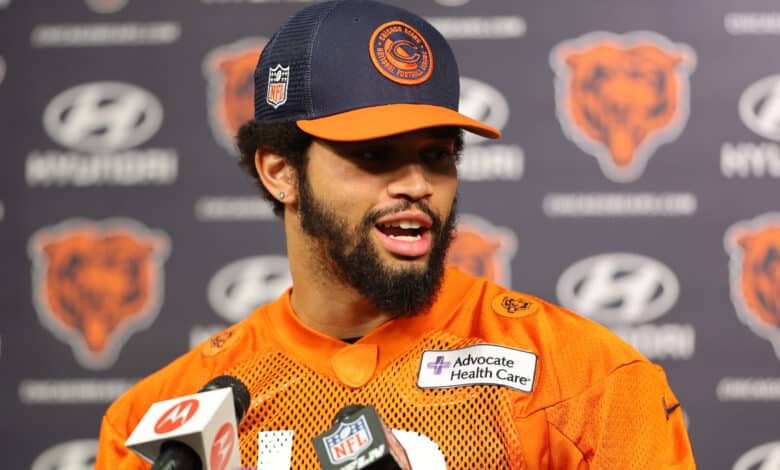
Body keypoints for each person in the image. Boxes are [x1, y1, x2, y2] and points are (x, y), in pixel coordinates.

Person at [96, 0, 695, 468]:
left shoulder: (586, 380)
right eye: (375, 155)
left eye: (438, 155)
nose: (418, 185)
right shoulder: (157, 424)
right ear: (281, 172)